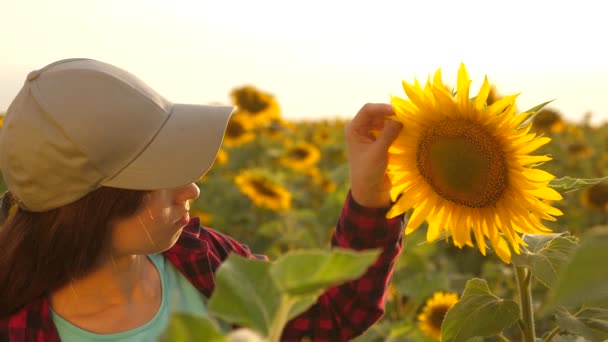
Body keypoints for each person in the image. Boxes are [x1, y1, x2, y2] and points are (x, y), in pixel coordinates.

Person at [0, 58, 404, 341]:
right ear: (92, 208)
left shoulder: (202, 258)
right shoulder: (18, 327)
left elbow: (330, 318)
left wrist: (370, 196)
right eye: (159, 176)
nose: (191, 189)